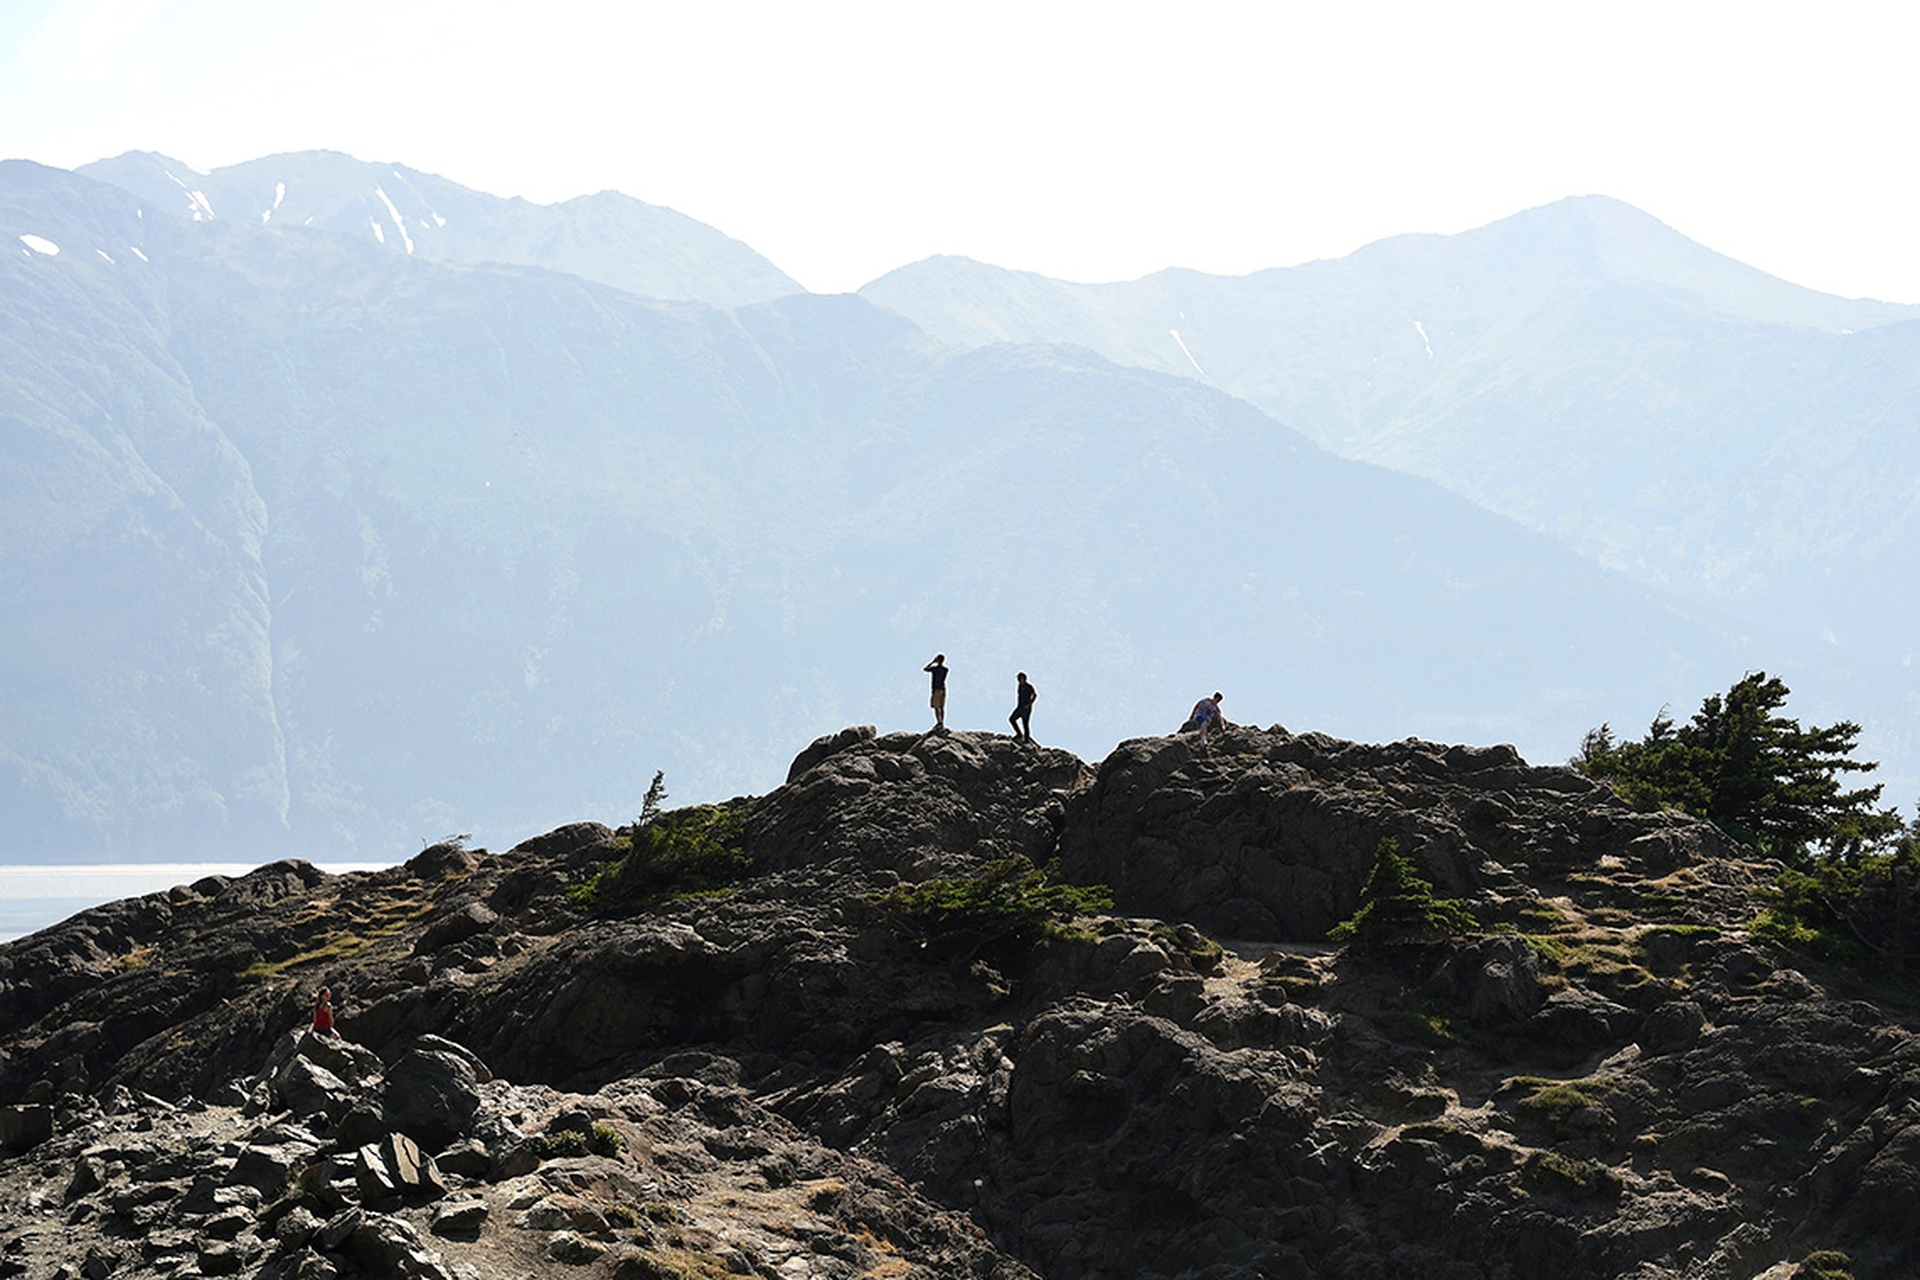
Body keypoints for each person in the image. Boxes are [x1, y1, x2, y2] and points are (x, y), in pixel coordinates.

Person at [1009, 672, 1037, 743]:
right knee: (1012, 719)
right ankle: (1019, 734)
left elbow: (1035, 695)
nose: (1018, 680)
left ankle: (1026, 740)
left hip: (1026, 708)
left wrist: (1029, 704)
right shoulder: (1020, 686)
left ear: (1024, 679)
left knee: (1025, 724)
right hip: (1019, 707)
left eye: (1019, 679)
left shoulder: (1029, 687)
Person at [924, 654, 949, 731]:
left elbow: (925, 669)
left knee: (936, 706)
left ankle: (939, 722)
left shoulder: (935, 669)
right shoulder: (945, 670)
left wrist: (932, 662)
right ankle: (942, 722)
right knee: (941, 707)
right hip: (943, 688)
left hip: (936, 689)